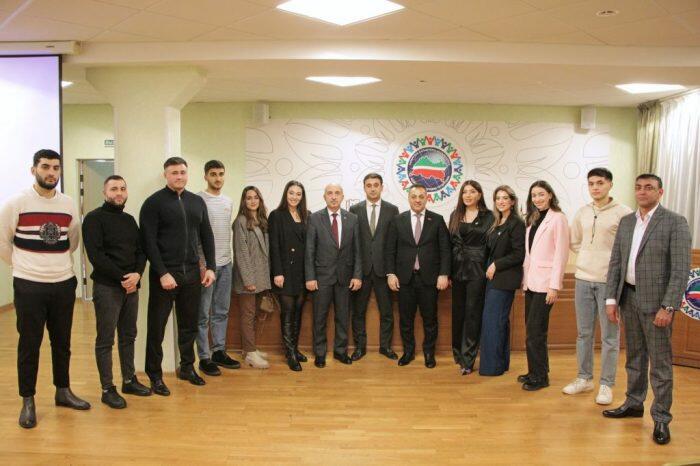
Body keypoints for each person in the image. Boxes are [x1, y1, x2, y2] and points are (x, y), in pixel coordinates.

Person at [0, 149, 90, 429]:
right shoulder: (16, 202)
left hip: (63, 283)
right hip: (28, 285)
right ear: (34, 170)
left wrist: (54, 264)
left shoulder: (68, 203)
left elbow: (72, 240)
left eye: (55, 168)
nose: (51, 172)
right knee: (29, 344)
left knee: (62, 342)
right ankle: (28, 400)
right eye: (45, 167)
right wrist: (23, 266)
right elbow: (3, 240)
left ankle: (63, 391)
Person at [603, 174, 691, 446]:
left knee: (660, 364)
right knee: (634, 358)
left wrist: (668, 306)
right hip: (628, 299)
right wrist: (611, 299)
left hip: (657, 306)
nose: (642, 192)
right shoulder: (627, 222)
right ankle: (633, 402)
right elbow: (616, 262)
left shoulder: (675, 222)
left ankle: (662, 417)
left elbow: (680, 270)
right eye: (638, 187)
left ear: (660, 192)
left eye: (649, 188)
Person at [140, 157, 216, 395]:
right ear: (166, 175)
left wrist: (211, 267)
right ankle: (155, 375)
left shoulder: (197, 202)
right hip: (164, 276)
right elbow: (148, 242)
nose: (179, 176)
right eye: (174, 172)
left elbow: (207, 235)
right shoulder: (153, 203)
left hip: (191, 274)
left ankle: (187, 367)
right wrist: (163, 273)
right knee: (157, 328)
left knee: (189, 326)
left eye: (182, 172)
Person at [562, 168, 631, 405]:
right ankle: (584, 378)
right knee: (584, 334)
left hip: (609, 283)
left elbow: (628, 247)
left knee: (610, 336)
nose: (595, 187)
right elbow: (574, 241)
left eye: (600, 183)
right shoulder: (582, 212)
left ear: (610, 184)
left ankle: (606, 384)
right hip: (583, 279)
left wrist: (607, 263)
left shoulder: (624, 213)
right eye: (591, 183)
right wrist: (587, 256)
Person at [82, 175, 151, 409]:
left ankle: (129, 380)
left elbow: (141, 251)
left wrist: (137, 274)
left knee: (128, 335)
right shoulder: (93, 219)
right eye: (113, 189)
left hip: (131, 286)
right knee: (105, 339)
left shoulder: (129, 220)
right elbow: (96, 256)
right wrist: (124, 279)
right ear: (105, 193)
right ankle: (107, 389)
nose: (119, 193)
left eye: (122, 188)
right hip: (107, 287)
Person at [385, 184, 451, 368]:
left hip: (429, 279)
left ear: (426, 198)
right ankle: (408, 351)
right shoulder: (398, 220)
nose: (417, 200)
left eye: (421, 196)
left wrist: (444, 274)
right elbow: (390, 250)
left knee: (430, 319)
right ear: (409, 198)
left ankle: (429, 353)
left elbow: (445, 250)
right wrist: (390, 273)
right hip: (404, 279)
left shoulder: (437, 220)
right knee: (406, 319)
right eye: (414, 196)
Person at [305, 183, 362, 368]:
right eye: (330, 193)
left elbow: (357, 250)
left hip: (345, 277)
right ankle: (320, 353)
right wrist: (310, 277)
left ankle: (340, 351)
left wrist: (357, 275)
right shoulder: (314, 218)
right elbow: (310, 250)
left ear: (342, 196)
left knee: (343, 317)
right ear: (324, 197)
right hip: (321, 278)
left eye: (337, 193)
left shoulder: (352, 219)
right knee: (319, 318)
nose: (334, 196)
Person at [519, 180, 569, 391]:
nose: (537, 199)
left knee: (535, 332)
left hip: (546, 284)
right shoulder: (533, 219)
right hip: (532, 282)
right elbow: (529, 254)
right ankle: (536, 370)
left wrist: (554, 286)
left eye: (541, 194)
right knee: (532, 330)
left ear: (550, 194)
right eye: (534, 195)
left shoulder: (558, 218)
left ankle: (540, 378)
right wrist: (524, 280)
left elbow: (561, 254)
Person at [196, 160, 240, 377]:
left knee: (221, 311)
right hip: (206, 267)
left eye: (221, 174)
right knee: (203, 314)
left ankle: (218, 351)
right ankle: (204, 357)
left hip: (225, 264)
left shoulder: (228, 201)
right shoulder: (198, 200)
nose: (218, 178)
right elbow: (196, 235)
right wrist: (202, 264)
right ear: (205, 176)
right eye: (213, 174)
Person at [349, 173, 400, 361]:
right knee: (358, 312)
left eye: (376, 185)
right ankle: (359, 347)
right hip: (360, 271)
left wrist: (392, 271)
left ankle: (385, 347)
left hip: (383, 270)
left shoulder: (392, 210)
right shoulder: (354, 210)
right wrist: (355, 271)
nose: (372, 188)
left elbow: (394, 242)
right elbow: (352, 242)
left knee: (386, 312)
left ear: (381, 187)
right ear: (364, 187)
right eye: (369, 185)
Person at [448, 180, 494, 375]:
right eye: (465, 192)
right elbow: (450, 244)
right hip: (457, 269)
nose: (468, 195)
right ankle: (458, 353)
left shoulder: (489, 216)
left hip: (477, 270)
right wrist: (448, 272)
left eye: (472, 191)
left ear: (479, 195)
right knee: (458, 313)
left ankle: (468, 359)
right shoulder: (455, 215)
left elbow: (492, 245)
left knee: (472, 314)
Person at [479, 185, 525, 376]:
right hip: (493, 279)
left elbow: (518, 254)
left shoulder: (516, 223)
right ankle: (500, 364)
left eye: (505, 198)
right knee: (498, 322)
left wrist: (496, 265)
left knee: (493, 322)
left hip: (505, 279)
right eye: (498, 198)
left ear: (512, 201)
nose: (501, 201)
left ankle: (492, 368)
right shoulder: (497, 222)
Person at [269, 180, 310, 371]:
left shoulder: (307, 215)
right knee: (288, 312)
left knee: (298, 312)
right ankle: (290, 353)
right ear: (286, 194)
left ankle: (294, 347)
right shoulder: (276, 215)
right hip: (285, 271)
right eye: (291, 193)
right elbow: (274, 245)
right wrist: (278, 272)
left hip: (303, 271)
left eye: (298, 194)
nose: (294, 197)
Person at [233, 186, 272, 369]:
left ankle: (250, 348)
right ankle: (249, 354)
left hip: (261, 276)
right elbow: (241, 253)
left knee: (256, 314)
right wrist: (248, 280)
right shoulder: (240, 221)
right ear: (244, 201)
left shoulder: (262, 220)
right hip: (247, 278)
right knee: (247, 315)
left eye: (256, 197)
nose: (253, 201)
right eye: (248, 198)